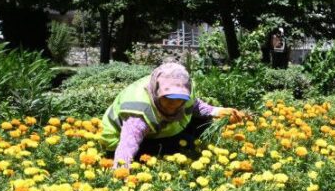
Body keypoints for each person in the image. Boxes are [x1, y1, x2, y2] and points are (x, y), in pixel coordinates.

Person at [100, 62, 246, 168]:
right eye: (168, 98)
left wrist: (218, 111)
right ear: (156, 92)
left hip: (157, 131)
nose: (174, 103)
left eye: (180, 98)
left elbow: (195, 106)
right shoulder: (139, 112)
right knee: (182, 145)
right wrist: (121, 173)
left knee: (205, 124)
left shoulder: (186, 90)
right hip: (120, 140)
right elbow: (128, 144)